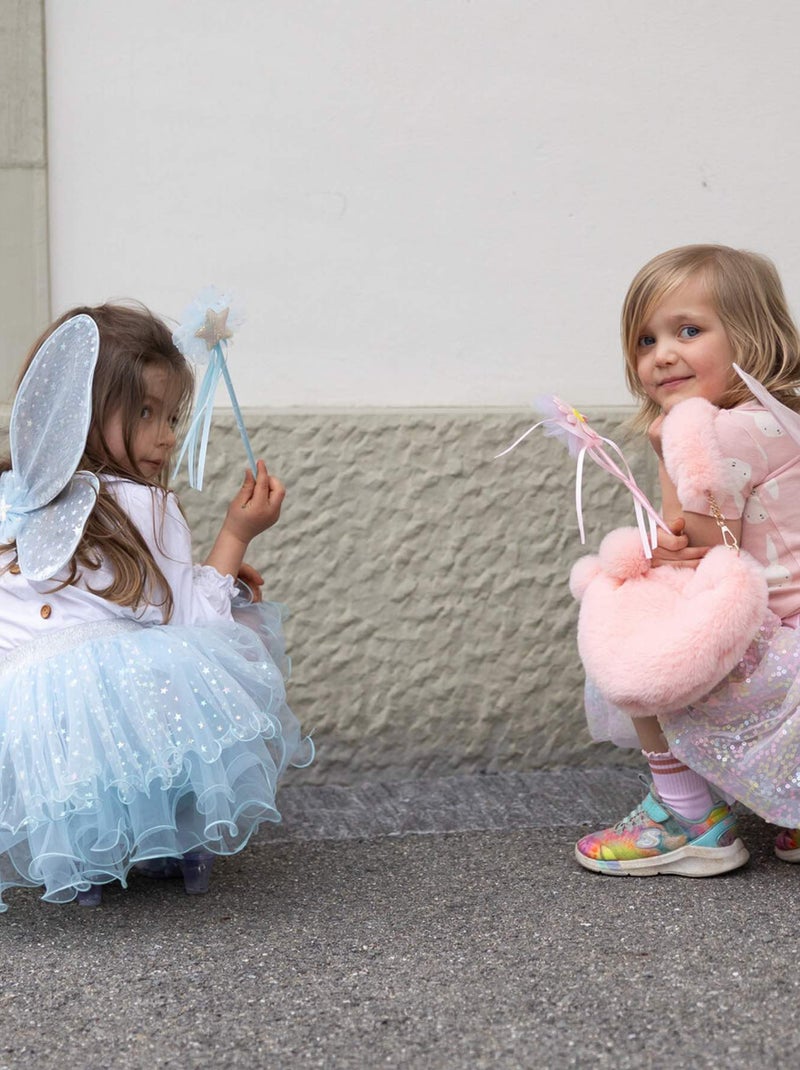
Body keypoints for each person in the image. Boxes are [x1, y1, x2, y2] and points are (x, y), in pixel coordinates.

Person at [0, 303, 312, 909]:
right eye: (146, 413)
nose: (167, 435)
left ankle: (81, 858)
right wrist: (234, 537)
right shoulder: (145, 505)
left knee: (114, 689)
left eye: (171, 415)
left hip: (22, 706)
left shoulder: (12, 502)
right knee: (198, 660)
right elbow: (189, 619)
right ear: (83, 413)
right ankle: (178, 841)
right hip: (122, 692)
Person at [574, 244, 800, 876]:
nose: (661, 354)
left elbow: (700, 550)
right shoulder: (780, 416)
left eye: (689, 331)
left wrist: (673, 447)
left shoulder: (712, 430)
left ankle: (686, 819)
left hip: (778, 647)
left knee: (630, 616)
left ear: (751, 336)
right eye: (645, 341)